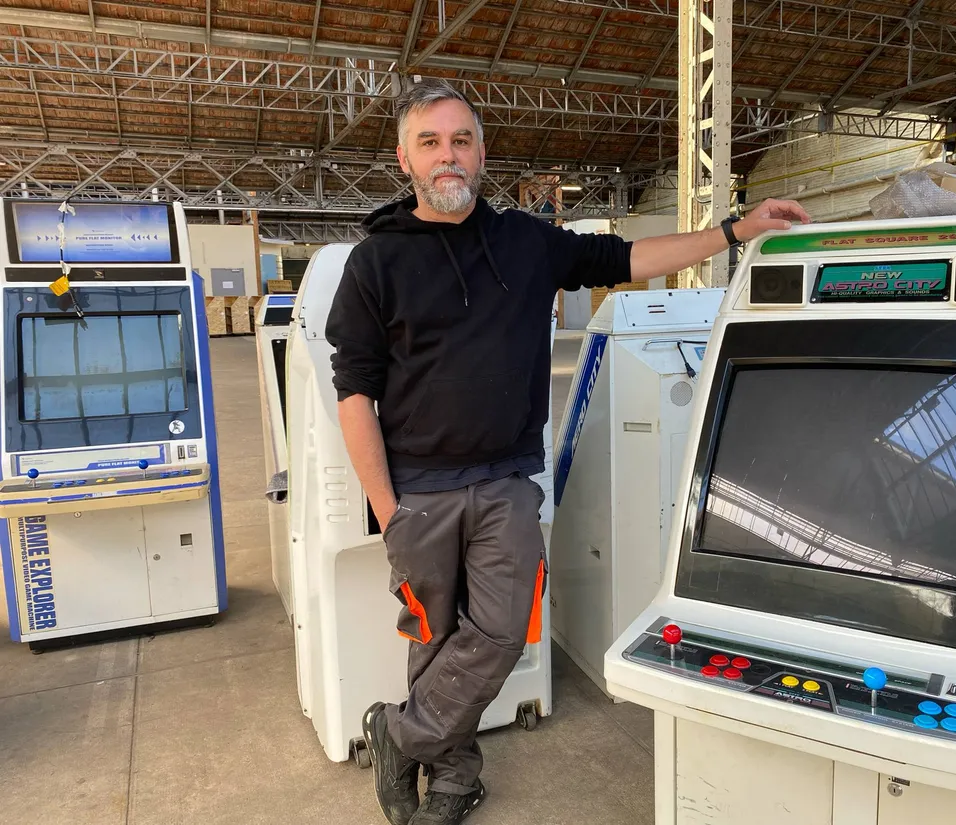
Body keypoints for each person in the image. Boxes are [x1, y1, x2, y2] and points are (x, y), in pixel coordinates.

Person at [324, 77, 811, 825]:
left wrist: (734, 230)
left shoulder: (524, 243)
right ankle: (453, 777)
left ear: (481, 152)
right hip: (418, 490)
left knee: (499, 632)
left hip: (507, 481)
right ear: (405, 158)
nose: (447, 156)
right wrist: (390, 510)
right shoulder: (375, 265)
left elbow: (627, 257)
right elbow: (354, 393)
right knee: (433, 636)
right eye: (430, 142)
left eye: (461, 140)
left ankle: (399, 732)